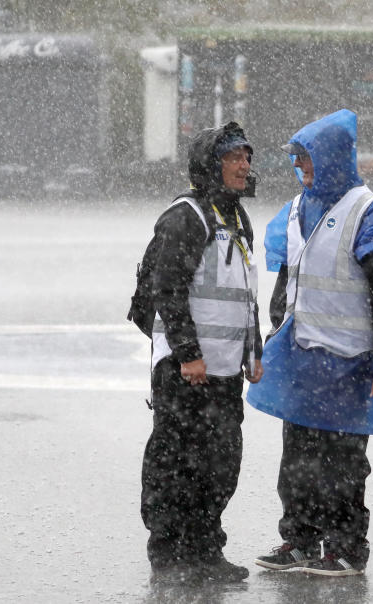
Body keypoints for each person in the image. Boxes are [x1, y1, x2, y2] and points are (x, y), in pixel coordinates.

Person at [247, 109, 373, 577]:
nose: (301, 169)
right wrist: (275, 336)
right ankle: (299, 540)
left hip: (349, 363)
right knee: (298, 460)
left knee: (343, 465)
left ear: (331, 160)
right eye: (297, 160)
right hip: (302, 360)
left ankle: (346, 548)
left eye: (307, 159)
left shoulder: (372, 214)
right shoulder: (295, 212)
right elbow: (286, 285)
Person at [140, 121, 263, 584]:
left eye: (247, 157)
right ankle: (169, 555)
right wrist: (188, 353)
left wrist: (255, 349)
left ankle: (205, 550)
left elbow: (243, 290)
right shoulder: (186, 216)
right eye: (234, 158)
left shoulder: (234, 217)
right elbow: (167, 289)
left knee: (219, 465)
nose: (244, 165)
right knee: (174, 463)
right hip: (184, 369)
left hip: (226, 370)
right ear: (212, 164)